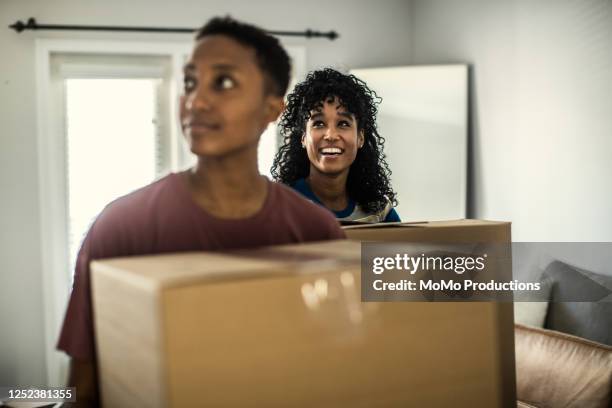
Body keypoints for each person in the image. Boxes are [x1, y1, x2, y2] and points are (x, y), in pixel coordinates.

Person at [57, 17, 344, 407]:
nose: (196, 101)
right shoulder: (121, 227)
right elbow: (79, 392)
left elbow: (334, 374)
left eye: (223, 82)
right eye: (190, 82)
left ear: (271, 109)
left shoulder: (315, 230)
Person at [271, 68, 400, 223]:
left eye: (343, 123)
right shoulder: (277, 205)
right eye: (318, 123)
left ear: (360, 137)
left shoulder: (380, 212)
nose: (331, 135)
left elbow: (402, 247)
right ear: (304, 138)